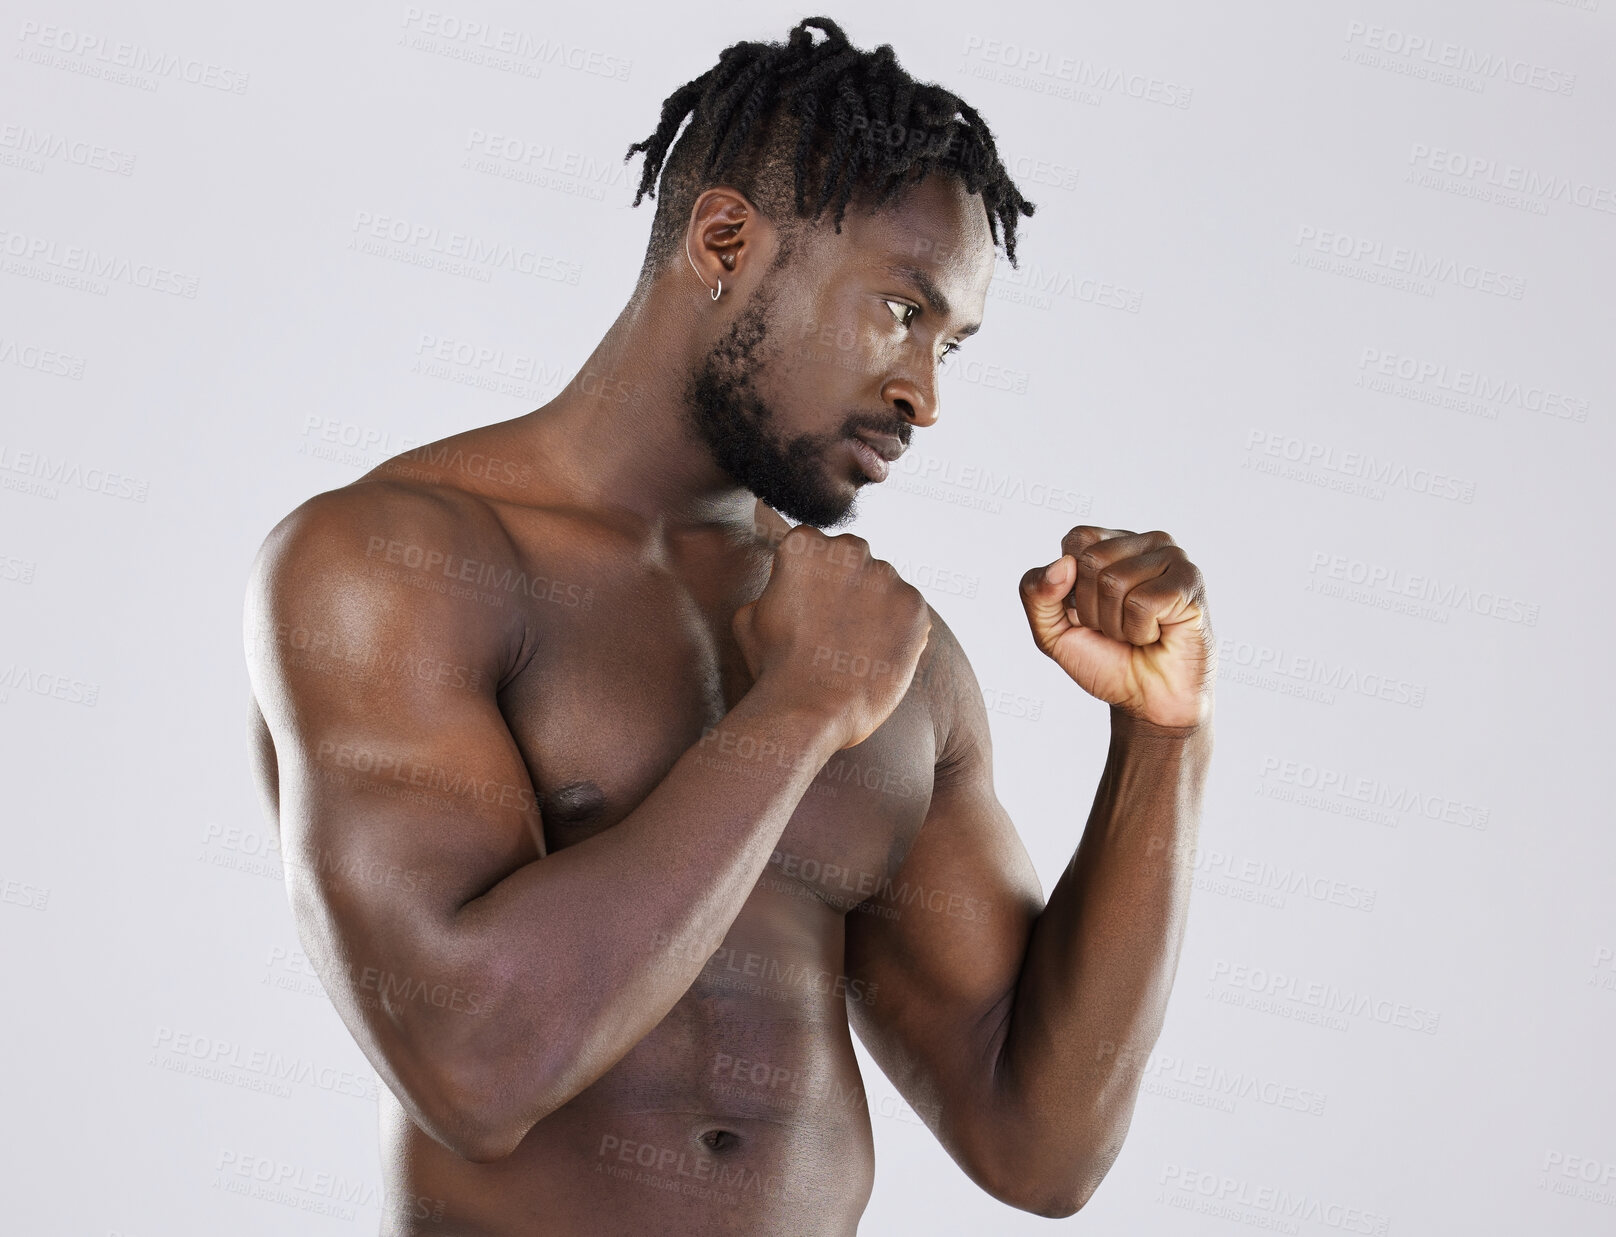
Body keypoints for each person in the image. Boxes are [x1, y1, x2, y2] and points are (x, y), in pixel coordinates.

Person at [243, 16, 1214, 1234]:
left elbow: (1040, 1144)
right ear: (723, 241)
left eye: (951, 346)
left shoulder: (880, 654)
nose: (923, 394)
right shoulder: (394, 564)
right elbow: (472, 1066)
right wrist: (796, 712)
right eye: (902, 311)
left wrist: (1162, 738)